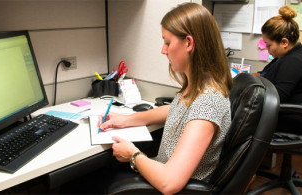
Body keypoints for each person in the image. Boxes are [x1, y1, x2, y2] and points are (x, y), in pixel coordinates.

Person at [97, 3, 232, 194]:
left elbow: (169, 183)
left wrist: (133, 154)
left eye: (167, 42)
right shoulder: (197, 88)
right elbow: (176, 109)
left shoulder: (209, 102)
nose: (163, 50)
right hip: (160, 174)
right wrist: (125, 120)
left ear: (188, 43)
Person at [259, 6, 302, 135]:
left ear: (284, 42)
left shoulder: (294, 61)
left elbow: (277, 96)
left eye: (269, 45)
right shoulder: (289, 55)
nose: (267, 49)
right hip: (287, 114)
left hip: (291, 120)